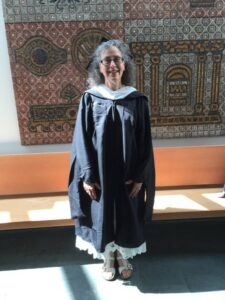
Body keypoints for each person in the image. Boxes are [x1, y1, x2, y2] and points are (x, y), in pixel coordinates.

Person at [68, 39, 155, 281]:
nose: (113, 64)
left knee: (126, 213)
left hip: (128, 173)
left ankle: (123, 254)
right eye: (107, 60)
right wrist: (87, 174)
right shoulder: (90, 99)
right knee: (103, 214)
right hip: (100, 173)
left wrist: (139, 175)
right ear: (100, 67)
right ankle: (109, 255)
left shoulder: (137, 100)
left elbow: (145, 140)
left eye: (117, 59)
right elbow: (81, 140)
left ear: (125, 65)